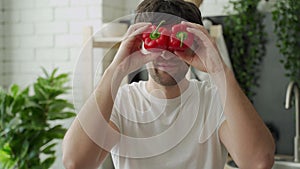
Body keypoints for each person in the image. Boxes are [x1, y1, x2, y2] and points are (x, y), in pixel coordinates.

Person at [62, 0, 275, 168]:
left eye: (179, 43)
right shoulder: (122, 102)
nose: (167, 55)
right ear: (142, 44)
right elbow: (76, 162)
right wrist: (116, 69)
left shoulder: (214, 100)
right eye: (157, 42)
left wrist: (219, 70)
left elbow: (258, 162)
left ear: (195, 47)